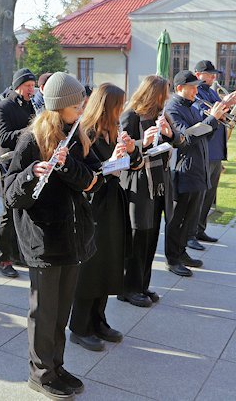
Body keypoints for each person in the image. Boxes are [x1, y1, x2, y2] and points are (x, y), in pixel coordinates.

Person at [3, 72, 100, 399]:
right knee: (44, 312)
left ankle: (57, 366)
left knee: (61, 311)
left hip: (73, 238)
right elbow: (11, 196)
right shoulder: (31, 140)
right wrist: (34, 172)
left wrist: (68, 165)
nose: (83, 107)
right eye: (78, 104)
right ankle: (41, 374)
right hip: (44, 240)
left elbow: (94, 180)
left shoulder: (78, 135)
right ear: (61, 107)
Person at [69, 83, 141, 352]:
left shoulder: (114, 129)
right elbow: (84, 173)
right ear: (107, 106)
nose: (122, 111)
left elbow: (135, 165)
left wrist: (132, 150)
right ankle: (79, 326)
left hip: (113, 200)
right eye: (119, 105)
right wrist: (111, 162)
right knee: (91, 266)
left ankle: (99, 320)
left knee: (109, 261)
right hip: (93, 205)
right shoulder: (84, 133)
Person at [119, 75, 181, 307]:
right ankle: (128, 289)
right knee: (138, 237)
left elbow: (179, 141)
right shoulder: (132, 115)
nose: (167, 97)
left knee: (151, 235)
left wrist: (168, 134)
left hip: (158, 183)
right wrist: (142, 142)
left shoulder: (160, 114)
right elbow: (124, 150)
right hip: (138, 182)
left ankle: (143, 285)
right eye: (164, 92)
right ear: (152, 93)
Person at [164, 70, 225, 277]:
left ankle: (181, 252)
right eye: (192, 87)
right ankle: (172, 259)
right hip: (184, 170)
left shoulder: (191, 107)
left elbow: (203, 136)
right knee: (177, 218)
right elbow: (185, 138)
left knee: (190, 217)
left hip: (197, 168)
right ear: (180, 88)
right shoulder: (172, 109)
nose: (196, 91)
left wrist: (214, 122)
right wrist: (211, 120)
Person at [0, 68, 36, 278]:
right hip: (9, 167)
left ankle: (18, 255)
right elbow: (4, 138)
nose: (32, 90)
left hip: (27, 166)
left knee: (23, 211)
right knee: (8, 214)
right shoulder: (3, 106)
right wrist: (31, 131)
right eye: (28, 86)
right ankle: (3, 258)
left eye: (33, 86)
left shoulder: (30, 104)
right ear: (18, 85)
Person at [189, 60, 236, 249]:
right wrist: (222, 105)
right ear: (198, 74)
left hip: (216, 149)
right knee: (199, 195)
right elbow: (201, 118)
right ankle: (191, 233)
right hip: (206, 149)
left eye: (213, 74)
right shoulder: (196, 93)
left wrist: (230, 105)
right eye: (209, 74)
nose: (213, 77)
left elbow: (220, 116)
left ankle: (200, 228)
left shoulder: (210, 92)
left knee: (209, 195)